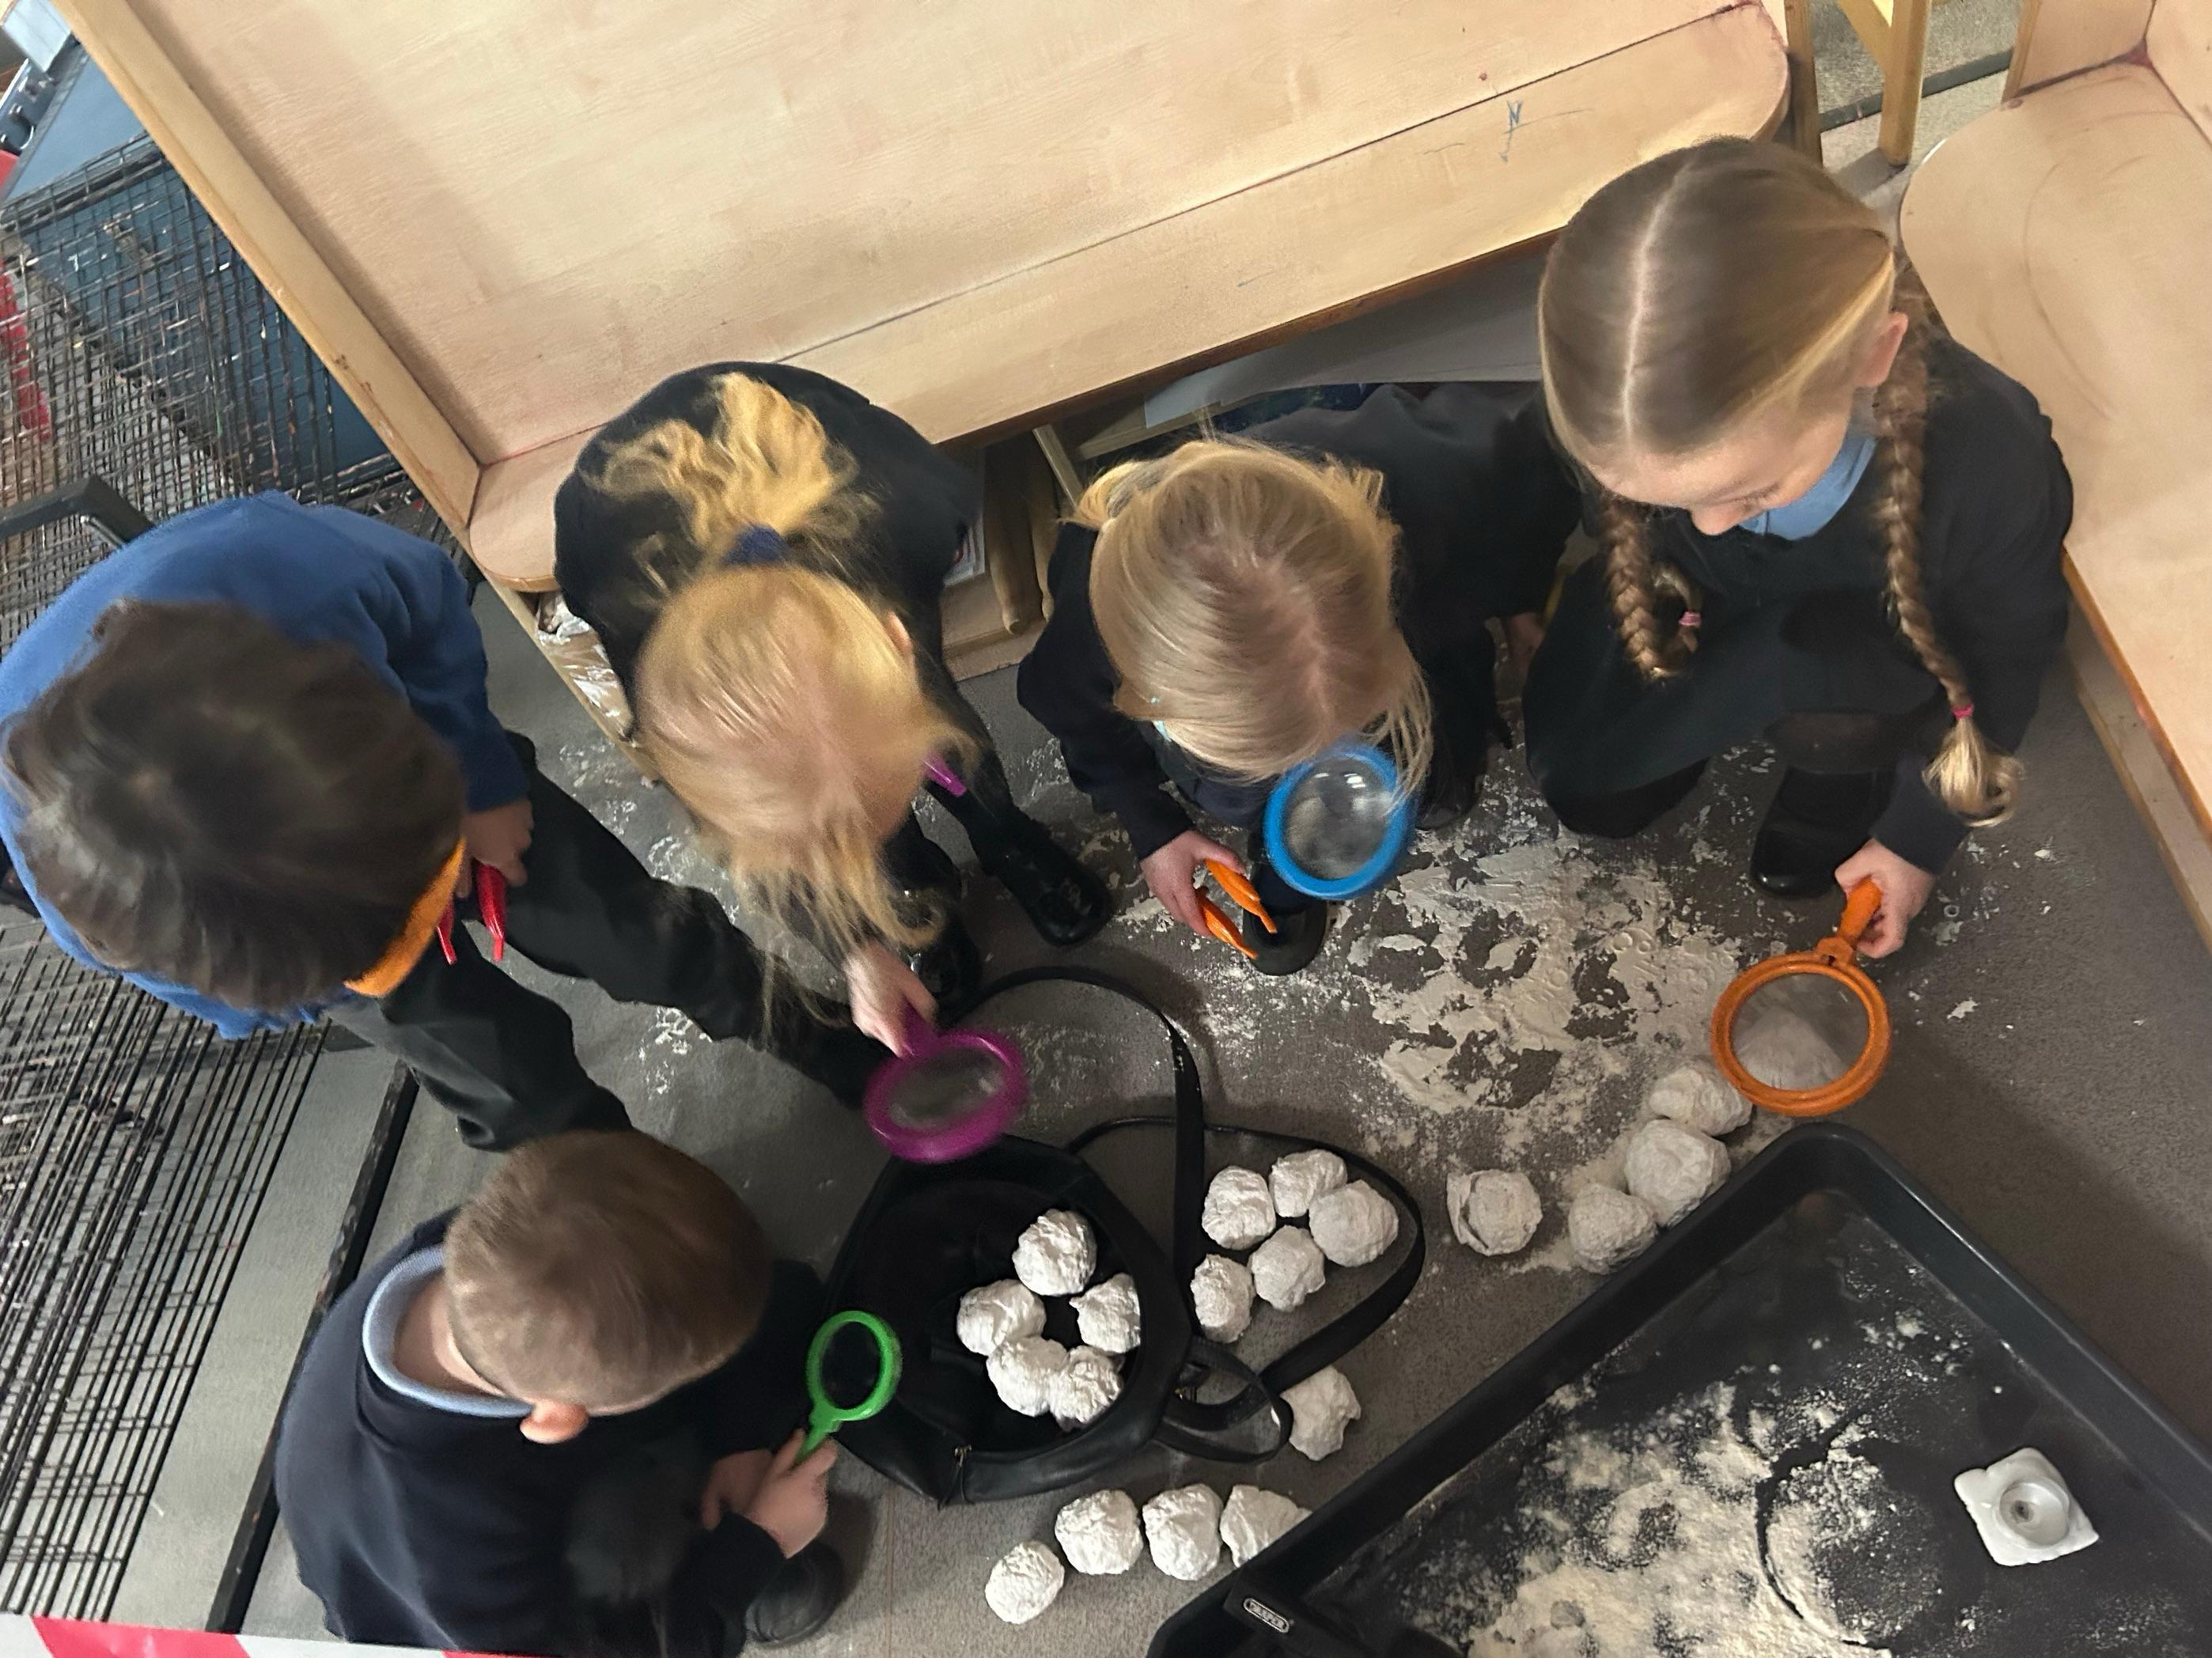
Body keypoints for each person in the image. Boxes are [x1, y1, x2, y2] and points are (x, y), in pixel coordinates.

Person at [0, 494, 884, 1147]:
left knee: (628, 928)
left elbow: (428, 612)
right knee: (506, 1084)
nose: (432, 919)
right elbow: (221, 996)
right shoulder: (103, 902)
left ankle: (810, 1032)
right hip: (304, 926)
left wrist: (484, 782)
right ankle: (629, 1210)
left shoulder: (306, 580)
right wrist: (320, 984)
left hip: (448, 798)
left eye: (421, 895)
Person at [1522, 138, 2073, 956]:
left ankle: (1836, 777)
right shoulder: (1627, 405)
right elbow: (1641, 516)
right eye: (1667, 500)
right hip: (1690, 592)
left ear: (1873, 356)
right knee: (1589, 791)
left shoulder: (1987, 465)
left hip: (1857, 641)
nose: (1712, 522)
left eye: (1752, 492)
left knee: (1833, 724)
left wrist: (1916, 841)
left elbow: (2005, 655)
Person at [554, 364, 1108, 1051]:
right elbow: (774, 851)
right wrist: (857, 949)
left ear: (896, 642)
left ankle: (1005, 836)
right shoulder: (672, 689)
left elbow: (945, 511)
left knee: (941, 735)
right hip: (632, 558)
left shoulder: (897, 505)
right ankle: (921, 888)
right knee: (865, 785)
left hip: (852, 510)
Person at [1017, 385, 1572, 973]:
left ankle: (1385, 753)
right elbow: (1079, 724)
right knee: (1242, 794)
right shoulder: (1088, 639)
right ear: (1145, 695)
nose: (1325, 760)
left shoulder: (1432, 471)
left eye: (1345, 727)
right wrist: (1151, 827)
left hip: (1419, 604)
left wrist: (1522, 599)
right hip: (1293, 674)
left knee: (1438, 774)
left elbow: (1536, 477)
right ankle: (1279, 845)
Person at [276, 1130, 846, 1656]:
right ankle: (707, 1588)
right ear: (559, 1418)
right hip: (454, 1607)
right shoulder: (456, 1557)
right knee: (641, 1578)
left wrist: (738, 1441)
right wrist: (755, 1548)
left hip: (479, 1484)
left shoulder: (488, 1248)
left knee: (783, 1306)